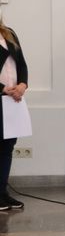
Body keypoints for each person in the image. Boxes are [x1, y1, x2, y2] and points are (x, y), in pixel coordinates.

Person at [0, 20, 28, 211]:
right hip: (2, 95)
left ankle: (3, 193)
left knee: (7, 147)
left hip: (12, 100)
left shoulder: (9, 33)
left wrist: (23, 85)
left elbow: (22, 64)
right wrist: (3, 88)